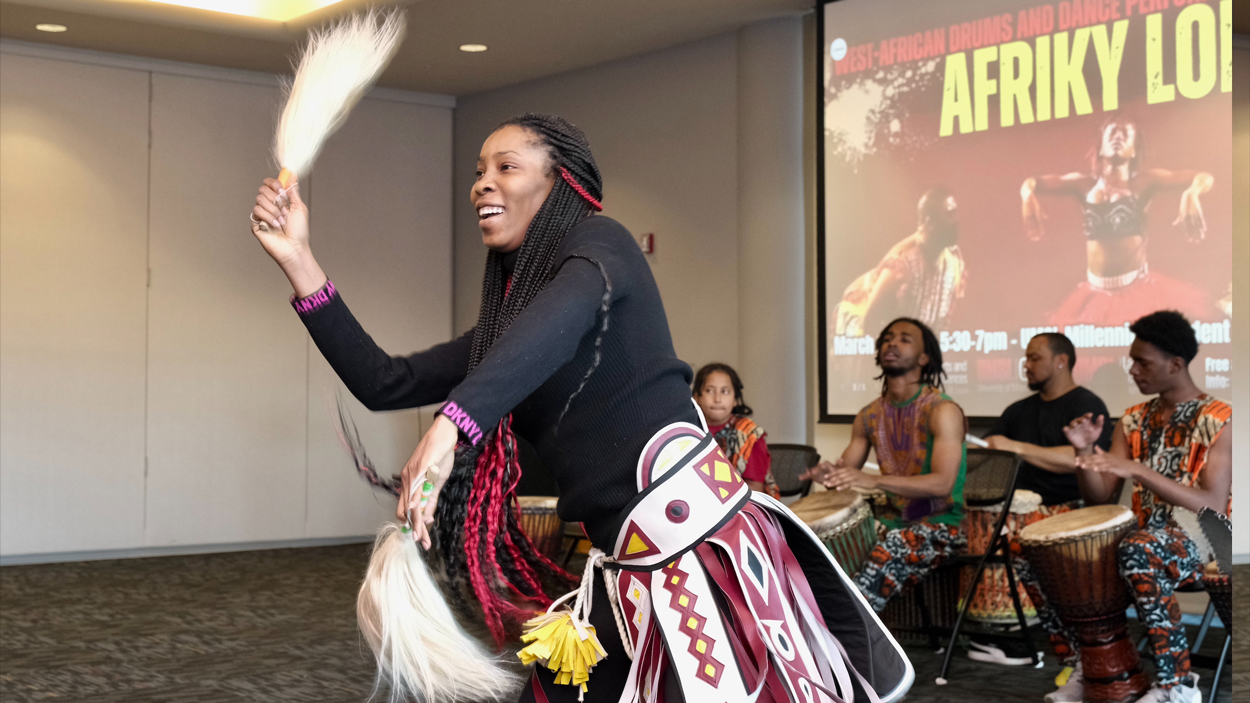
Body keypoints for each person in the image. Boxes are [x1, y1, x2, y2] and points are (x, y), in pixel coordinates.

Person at [250, 114, 911, 702]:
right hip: (622, 569)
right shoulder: (506, 331)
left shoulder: (606, 245)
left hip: (698, 557)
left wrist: (453, 424)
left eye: (505, 167)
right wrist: (300, 260)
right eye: (478, 171)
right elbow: (384, 381)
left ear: (560, 181)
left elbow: (561, 320)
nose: (482, 183)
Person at [1059, 311, 1231, 703]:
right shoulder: (1134, 420)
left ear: (1176, 364)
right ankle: (1095, 670)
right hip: (1144, 538)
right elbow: (1099, 497)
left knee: (1138, 547)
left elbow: (1214, 507)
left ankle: (1178, 686)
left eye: (1143, 363)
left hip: (1209, 540)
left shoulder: (1220, 419)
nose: (1133, 370)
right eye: (1132, 360)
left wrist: (1138, 469)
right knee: (1038, 548)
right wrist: (1084, 450)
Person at [802, 318, 967, 612]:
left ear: (923, 357)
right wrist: (831, 476)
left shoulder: (943, 411)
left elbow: (943, 483)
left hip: (941, 529)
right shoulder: (868, 416)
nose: (892, 343)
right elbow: (845, 474)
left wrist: (873, 480)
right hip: (889, 525)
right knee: (815, 551)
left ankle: (848, 643)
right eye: (887, 338)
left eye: (904, 339)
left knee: (886, 550)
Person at [981, 332, 1113, 679]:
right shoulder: (1017, 411)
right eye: (1026, 357)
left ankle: (1016, 636)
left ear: (1061, 360)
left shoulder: (1087, 406)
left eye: (1034, 357)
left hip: (1066, 511)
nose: (1026, 364)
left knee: (1011, 532)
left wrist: (1016, 447)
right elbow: (993, 457)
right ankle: (996, 630)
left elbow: (1080, 459)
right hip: (1014, 510)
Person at [1021, 119, 1214, 326]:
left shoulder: (1143, 183)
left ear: (1133, 151)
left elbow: (1205, 177)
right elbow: (1032, 182)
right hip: (1095, 293)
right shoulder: (1083, 185)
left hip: (1138, 289)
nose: (1118, 138)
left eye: (1125, 135)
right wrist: (1027, 196)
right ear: (1101, 149)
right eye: (1112, 134)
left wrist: (1191, 193)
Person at [833, 187, 966, 337]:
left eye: (956, 213)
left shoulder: (952, 264)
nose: (957, 220)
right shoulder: (901, 264)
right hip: (855, 332)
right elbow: (869, 322)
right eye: (950, 214)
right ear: (929, 223)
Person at [693, 363, 772, 493]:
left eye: (725, 392)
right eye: (709, 391)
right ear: (697, 397)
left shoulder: (750, 435)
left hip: (741, 507)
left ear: (735, 399)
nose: (717, 399)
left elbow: (755, 490)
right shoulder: (687, 431)